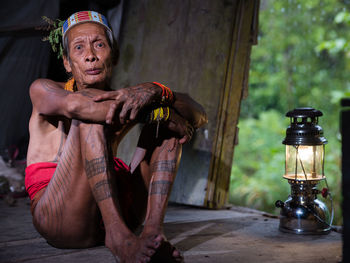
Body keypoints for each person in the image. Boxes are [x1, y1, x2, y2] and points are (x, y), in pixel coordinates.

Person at [25, 11, 207, 263]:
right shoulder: (45, 90)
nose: (91, 55)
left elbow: (198, 117)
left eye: (99, 44)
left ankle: (154, 233)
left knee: (164, 127)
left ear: (114, 55)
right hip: (62, 220)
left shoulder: (129, 98)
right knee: (91, 114)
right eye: (79, 48)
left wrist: (156, 90)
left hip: (122, 206)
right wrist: (160, 111)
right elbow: (82, 107)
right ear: (67, 63)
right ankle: (117, 236)